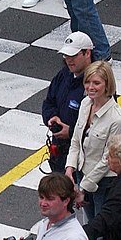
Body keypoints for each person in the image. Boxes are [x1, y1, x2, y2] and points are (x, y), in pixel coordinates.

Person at [65, 60, 121, 240]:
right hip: (83, 177)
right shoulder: (86, 104)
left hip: (103, 183)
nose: (90, 87)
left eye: (96, 83)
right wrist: (69, 169)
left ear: (107, 85)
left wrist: (84, 188)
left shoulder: (116, 118)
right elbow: (77, 139)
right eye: (88, 81)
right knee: (92, 236)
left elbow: (106, 160)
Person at [40, 33, 93, 173]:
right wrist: (51, 117)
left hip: (83, 160)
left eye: (73, 56)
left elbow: (101, 129)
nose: (69, 60)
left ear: (87, 53)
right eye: (66, 56)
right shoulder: (63, 75)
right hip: (59, 154)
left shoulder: (96, 84)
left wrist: (70, 132)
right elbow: (48, 102)